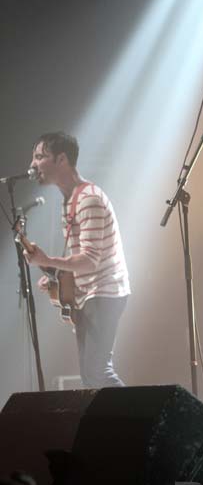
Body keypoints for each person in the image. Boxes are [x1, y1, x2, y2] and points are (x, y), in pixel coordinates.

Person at [24, 132, 130, 388]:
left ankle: (143, 425)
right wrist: (52, 273)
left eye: (40, 157)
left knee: (98, 372)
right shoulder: (70, 199)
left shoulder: (89, 199)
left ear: (62, 159)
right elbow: (80, 258)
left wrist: (49, 259)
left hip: (105, 292)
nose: (33, 164)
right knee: (91, 376)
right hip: (89, 294)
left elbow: (90, 261)